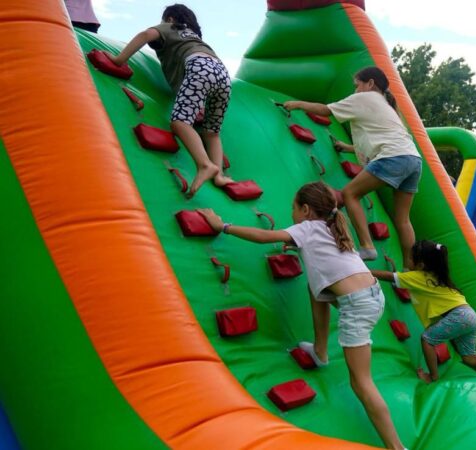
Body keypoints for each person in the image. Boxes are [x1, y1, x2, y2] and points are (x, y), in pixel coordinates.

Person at [197, 182, 405, 450]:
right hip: (373, 295)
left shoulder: (305, 228)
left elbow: (264, 237)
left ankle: (396, 447)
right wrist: (298, 247)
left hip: (356, 306)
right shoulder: (333, 227)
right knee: (315, 286)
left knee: (361, 382)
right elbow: (326, 260)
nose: (291, 213)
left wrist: (222, 226)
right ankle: (320, 351)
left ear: (306, 210)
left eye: (293, 208)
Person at [283, 67, 422, 269]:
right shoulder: (387, 105)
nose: (355, 90)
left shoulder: (364, 98)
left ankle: (367, 246)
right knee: (403, 220)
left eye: (357, 85)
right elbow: (376, 138)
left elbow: (326, 110)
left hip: (393, 157)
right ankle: (411, 266)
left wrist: (297, 104)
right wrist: (346, 147)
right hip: (413, 160)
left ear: (370, 83)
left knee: (349, 193)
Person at [105, 4, 233, 198]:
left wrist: (118, 59)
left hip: (199, 67)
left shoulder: (171, 27)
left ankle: (205, 164)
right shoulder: (194, 38)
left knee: (180, 122)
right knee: (212, 133)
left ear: (170, 18)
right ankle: (220, 175)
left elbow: (145, 35)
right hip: (223, 75)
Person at [371, 240, 476, 383]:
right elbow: (402, 278)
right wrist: (394, 266)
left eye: (410, 258)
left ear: (421, 265)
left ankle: (433, 377)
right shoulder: (436, 276)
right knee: (470, 358)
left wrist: (365, 272)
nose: (407, 260)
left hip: (459, 316)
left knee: (427, 339)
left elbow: (391, 277)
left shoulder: (420, 277)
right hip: (469, 315)